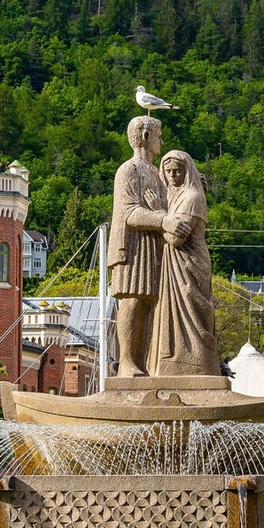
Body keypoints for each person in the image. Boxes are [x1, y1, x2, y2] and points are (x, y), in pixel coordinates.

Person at [107, 116, 168, 377]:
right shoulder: (128, 170)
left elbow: (171, 203)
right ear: (145, 136)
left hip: (154, 245)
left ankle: (149, 363)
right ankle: (128, 363)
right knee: (132, 302)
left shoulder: (158, 173)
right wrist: (164, 218)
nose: (161, 141)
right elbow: (129, 212)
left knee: (152, 304)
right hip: (131, 246)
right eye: (158, 135)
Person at [150, 149, 219, 375]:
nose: (172, 175)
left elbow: (175, 238)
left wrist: (159, 213)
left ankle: (193, 360)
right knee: (172, 312)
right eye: (168, 171)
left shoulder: (192, 198)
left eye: (177, 171)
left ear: (186, 171)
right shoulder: (174, 195)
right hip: (172, 265)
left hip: (189, 262)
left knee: (192, 308)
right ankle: (175, 358)